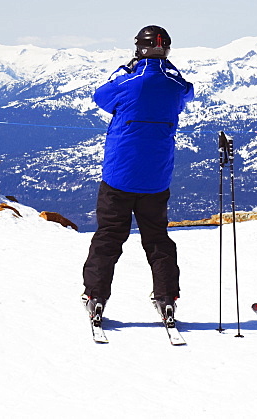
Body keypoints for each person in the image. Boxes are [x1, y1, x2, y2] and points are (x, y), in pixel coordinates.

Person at [81, 26, 195, 325]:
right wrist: (166, 68)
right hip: (156, 178)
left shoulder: (128, 80)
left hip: (119, 175)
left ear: (138, 49)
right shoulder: (175, 84)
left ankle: (95, 296)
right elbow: (186, 94)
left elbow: (101, 97)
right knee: (157, 239)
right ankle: (167, 297)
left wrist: (125, 67)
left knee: (109, 237)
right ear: (166, 50)